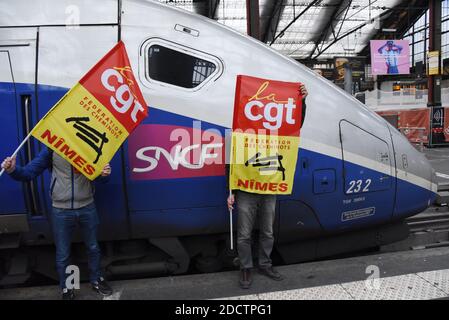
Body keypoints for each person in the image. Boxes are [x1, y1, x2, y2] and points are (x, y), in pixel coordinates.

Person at [1, 149, 113, 300]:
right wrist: (12, 169)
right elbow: (28, 173)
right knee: (63, 253)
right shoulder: (52, 150)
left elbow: (100, 178)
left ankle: (97, 280)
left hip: (87, 206)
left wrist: (104, 174)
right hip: (61, 209)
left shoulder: (89, 147)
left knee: (93, 247)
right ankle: (67, 288)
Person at [227, 83, 308, 289]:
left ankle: (264, 264)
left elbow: (296, 123)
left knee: (268, 232)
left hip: (269, 188)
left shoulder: (279, 132)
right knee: (244, 234)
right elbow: (231, 162)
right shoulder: (238, 132)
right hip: (246, 189)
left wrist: (302, 101)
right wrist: (231, 191)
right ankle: (246, 267)